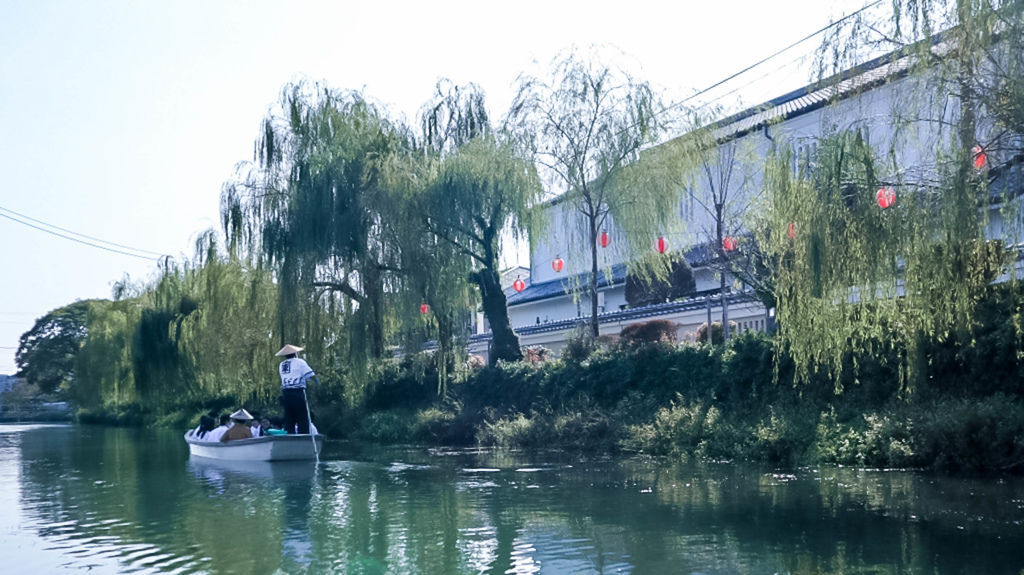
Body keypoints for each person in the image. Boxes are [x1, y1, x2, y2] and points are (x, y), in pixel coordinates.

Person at [276, 344, 316, 435]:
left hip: (286, 392)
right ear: (295, 353)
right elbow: (310, 375)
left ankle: (290, 433)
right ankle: (304, 434)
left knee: (289, 416)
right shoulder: (300, 362)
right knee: (302, 415)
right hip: (297, 391)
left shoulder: (281, 365)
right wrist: (316, 380)